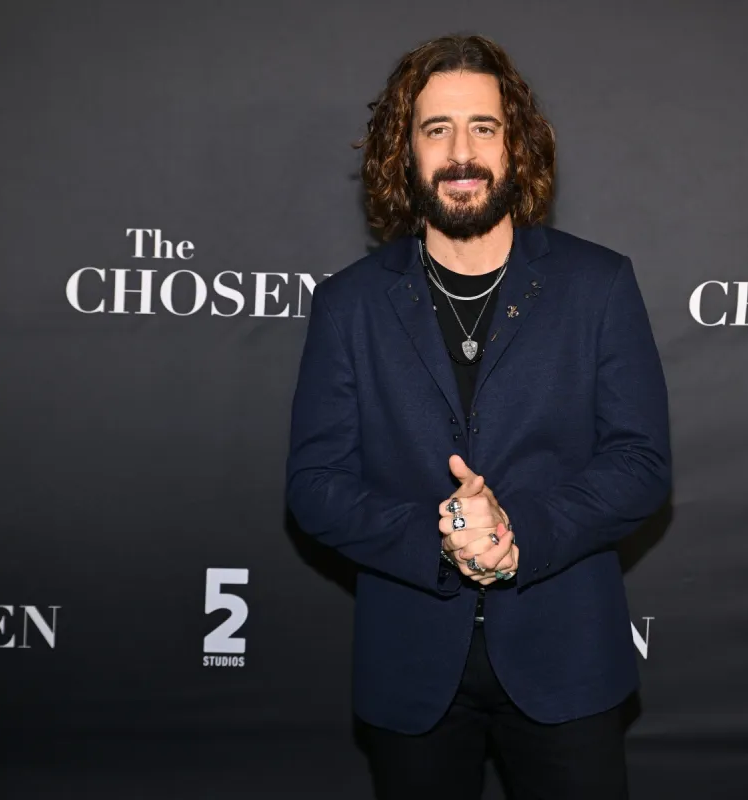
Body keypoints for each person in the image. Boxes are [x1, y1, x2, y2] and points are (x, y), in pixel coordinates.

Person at [285, 33, 671, 800]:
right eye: (437, 129)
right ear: (404, 152)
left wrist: (515, 533)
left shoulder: (598, 285)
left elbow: (640, 464)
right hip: (411, 665)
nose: (461, 153)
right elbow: (315, 484)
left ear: (514, 144)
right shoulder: (348, 304)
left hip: (567, 659)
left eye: (483, 127)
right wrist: (438, 541)